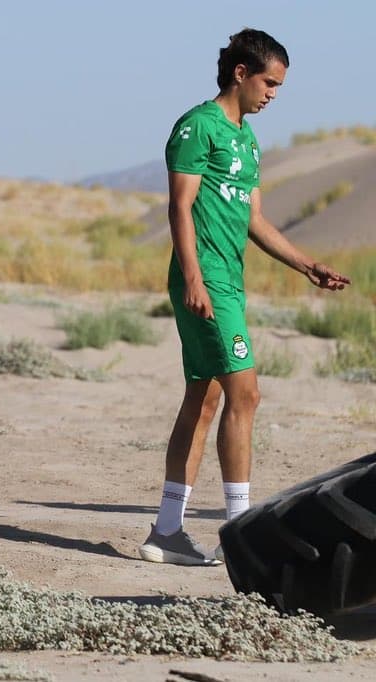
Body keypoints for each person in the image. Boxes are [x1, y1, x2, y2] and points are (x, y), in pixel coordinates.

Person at [139, 29, 351, 566]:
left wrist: (307, 265)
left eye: (279, 86)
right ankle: (242, 535)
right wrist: (192, 276)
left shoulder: (246, 139)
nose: (273, 94)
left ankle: (166, 531)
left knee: (206, 399)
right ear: (241, 73)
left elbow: (255, 218)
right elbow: (179, 207)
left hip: (230, 280)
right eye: (269, 82)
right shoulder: (197, 126)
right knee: (246, 395)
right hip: (205, 278)